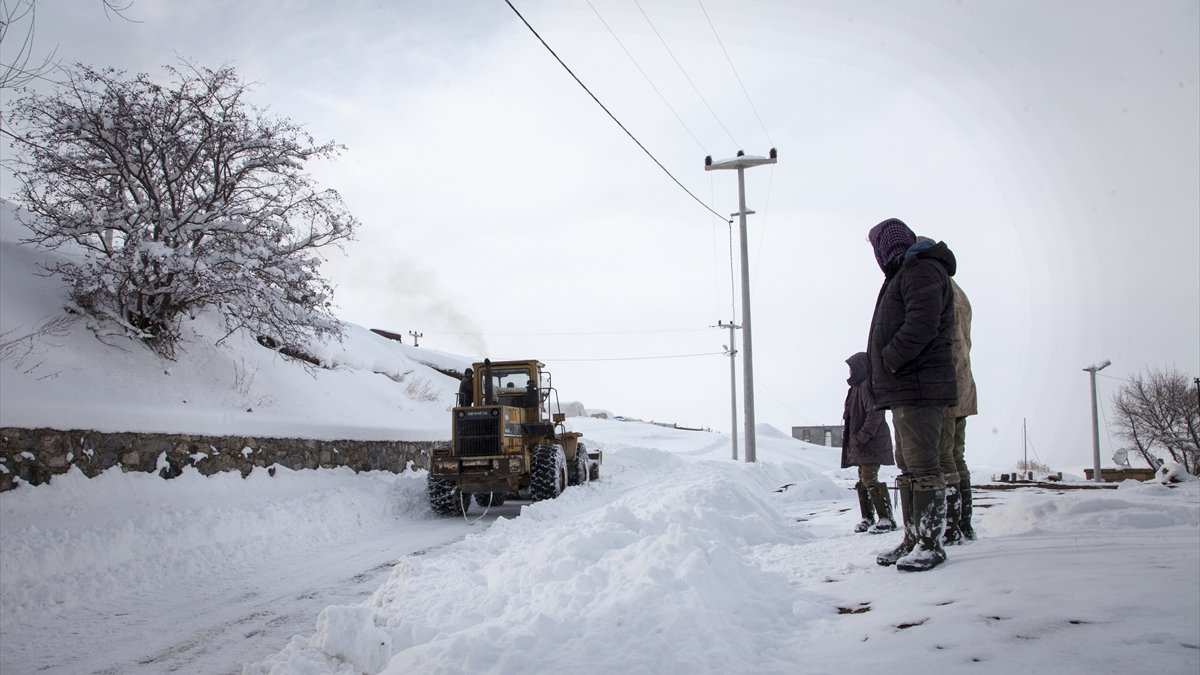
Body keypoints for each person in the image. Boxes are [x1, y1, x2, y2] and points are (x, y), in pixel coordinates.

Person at [865, 218, 958, 572]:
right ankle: (913, 538)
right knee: (909, 468)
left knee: (923, 467)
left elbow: (922, 323)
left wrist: (890, 359)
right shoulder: (904, 273)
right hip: (906, 386)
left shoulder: (920, 270)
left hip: (918, 384)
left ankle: (930, 543)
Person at [841, 351, 897, 534]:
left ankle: (886, 518)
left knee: (869, 479)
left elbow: (875, 414)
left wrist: (861, 437)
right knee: (863, 479)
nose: (849, 372)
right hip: (863, 444)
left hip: (871, 442)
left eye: (851, 368)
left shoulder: (866, 386)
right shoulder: (856, 389)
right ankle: (868, 518)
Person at [941, 273, 978, 543]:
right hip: (963, 383)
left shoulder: (936, 286)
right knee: (956, 455)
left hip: (945, 385)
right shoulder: (960, 293)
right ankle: (964, 523)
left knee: (943, 457)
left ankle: (951, 527)